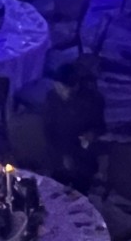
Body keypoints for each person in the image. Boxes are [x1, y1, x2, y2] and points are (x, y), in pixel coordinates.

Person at [43, 63, 106, 193]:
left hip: (83, 155)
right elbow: (48, 130)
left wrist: (92, 134)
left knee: (81, 192)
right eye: (59, 88)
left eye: (67, 88)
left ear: (76, 86)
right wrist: (63, 155)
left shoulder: (93, 100)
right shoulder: (51, 98)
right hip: (58, 152)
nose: (64, 93)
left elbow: (101, 126)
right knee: (56, 192)